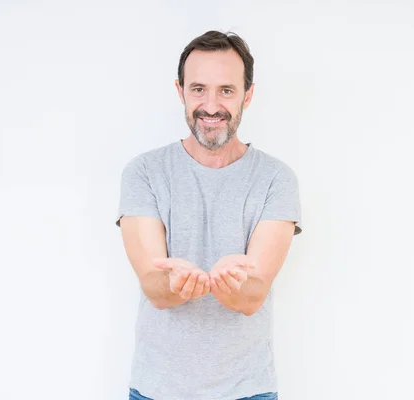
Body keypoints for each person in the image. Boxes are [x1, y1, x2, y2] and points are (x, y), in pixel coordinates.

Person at [116, 30, 302, 400]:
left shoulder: (276, 179)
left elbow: (251, 299)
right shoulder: (144, 172)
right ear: (180, 90)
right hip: (156, 390)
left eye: (226, 91)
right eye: (198, 89)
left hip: (248, 391)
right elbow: (155, 289)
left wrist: (227, 282)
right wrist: (179, 283)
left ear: (248, 94)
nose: (211, 106)